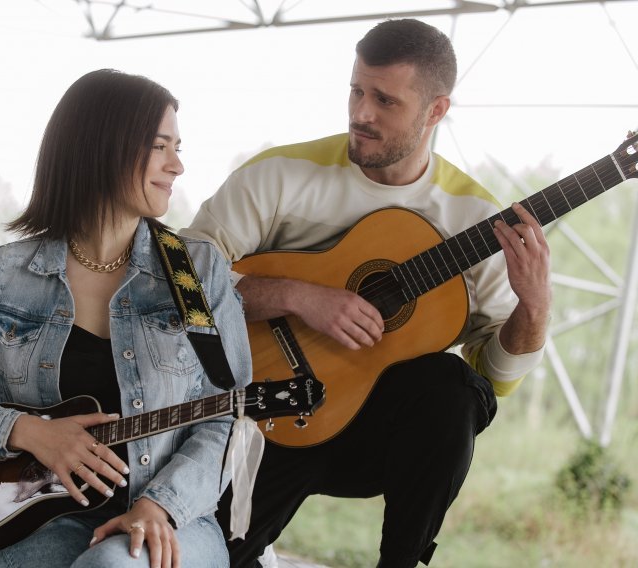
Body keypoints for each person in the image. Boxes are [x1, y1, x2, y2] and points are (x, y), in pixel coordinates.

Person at [182, 18, 551, 568]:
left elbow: (494, 379)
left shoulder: (475, 218)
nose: (361, 113)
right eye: (356, 90)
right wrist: (300, 296)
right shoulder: (281, 174)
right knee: (207, 557)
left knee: (454, 387)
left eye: (384, 100)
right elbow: (182, 279)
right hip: (263, 412)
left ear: (436, 111)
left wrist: (534, 307)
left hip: (378, 439)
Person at [0, 69, 252, 568]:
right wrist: (28, 432)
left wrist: (160, 506)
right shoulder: (1, 277)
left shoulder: (195, 274)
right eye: (160, 146)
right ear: (103, 147)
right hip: (42, 521)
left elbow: (227, 415)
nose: (177, 165)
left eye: (178, 147)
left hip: (173, 518)